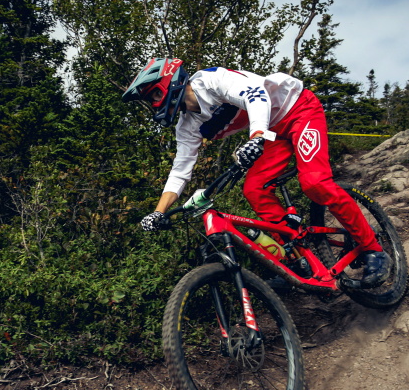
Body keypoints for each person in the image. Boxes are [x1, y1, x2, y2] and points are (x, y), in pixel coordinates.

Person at [122, 57, 388, 287]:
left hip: (299, 110)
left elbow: (255, 94)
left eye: (154, 96)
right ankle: (298, 259)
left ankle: (373, 249)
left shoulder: (210, 81)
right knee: (254, 190)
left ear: (170, 82)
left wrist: (257, 136)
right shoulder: (188, 125)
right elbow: (180, 170)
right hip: (271, 133)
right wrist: (158, 212)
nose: (154, 105)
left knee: (314, 183)